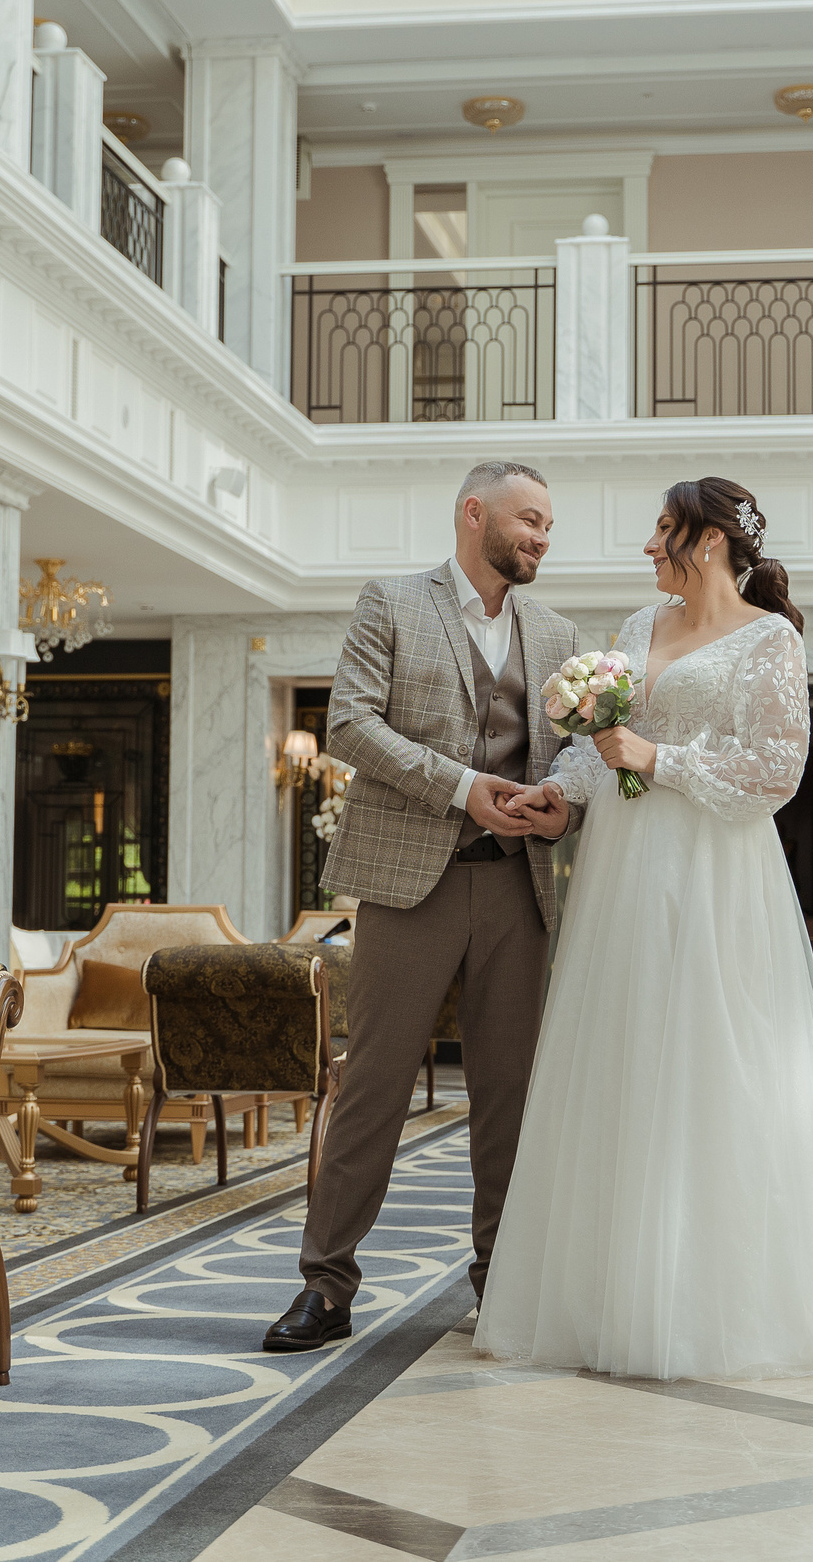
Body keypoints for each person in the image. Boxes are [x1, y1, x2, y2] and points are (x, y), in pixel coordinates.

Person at [473, 477, 813, 1382]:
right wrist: (558, 794)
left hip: (712, 876)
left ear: (706, 539)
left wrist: (660, 759)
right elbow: (601, 749)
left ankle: (706, 1307)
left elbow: (777, 769)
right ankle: (605, 1300)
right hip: (621, 877)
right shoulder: (636, 626)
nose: (646, 545)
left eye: (662, 528)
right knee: (620, 1064)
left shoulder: (770, 639)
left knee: (707, 1063)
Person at [263, 461, 587, 1353]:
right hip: (411, 884)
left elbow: (576, 755)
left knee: (509, 1096)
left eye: (548, 526)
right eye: (529, 519)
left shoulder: (557, 634)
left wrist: (562, 801)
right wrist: (459, 786)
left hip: (518, 887)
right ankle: (326, 1286)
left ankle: (502, 1285)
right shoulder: (393, 602)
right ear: (473, 512)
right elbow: (349, 723)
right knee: (373, 1085)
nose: (541, 537)